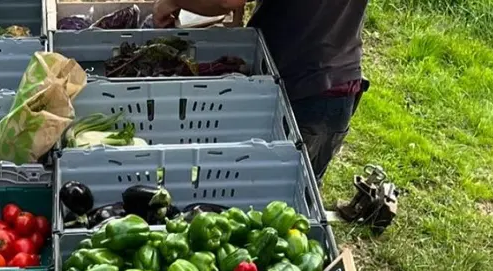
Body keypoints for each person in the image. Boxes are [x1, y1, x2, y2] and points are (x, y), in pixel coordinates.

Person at [153, 0, 368, 181]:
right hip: (340, 84)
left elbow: (227, 1)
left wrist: (173, 1)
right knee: (297, 195)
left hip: (294, 87)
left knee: (257, 192)